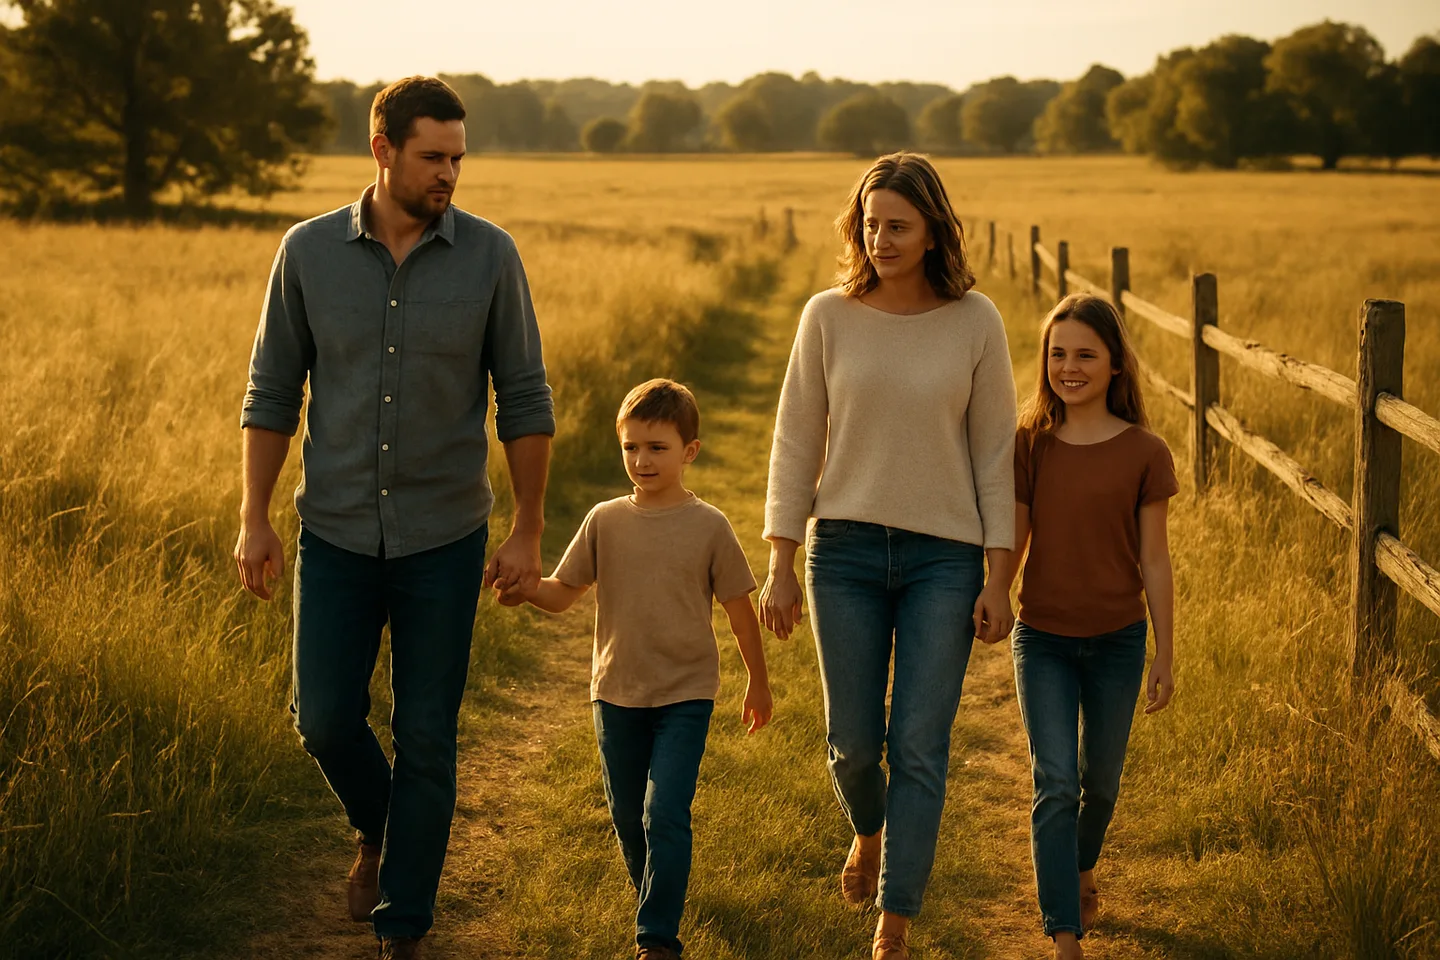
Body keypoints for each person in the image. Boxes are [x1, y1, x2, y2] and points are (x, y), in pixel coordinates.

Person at [234, 76, 555, 960]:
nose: (451, 172)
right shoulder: (306, 254)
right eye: (433, 156)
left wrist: (527, 530)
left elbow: (524, 399)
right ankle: (384, 829)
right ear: (382, 151)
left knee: (427, 735)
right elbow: (272, 393)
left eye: (459, 157)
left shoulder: (492, 257)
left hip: (444, 539)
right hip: (332, 531)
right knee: (324, 719)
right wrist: (253, 518)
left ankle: (403, 923)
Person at [760, 153, 1017, 960]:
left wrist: (1000, 576)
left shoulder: (976, 320)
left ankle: (895, 917)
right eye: (870, 224)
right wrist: (778, 560)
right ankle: (868, 831)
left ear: (935, 227)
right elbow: (796, 440)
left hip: (947, 557)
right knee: (852, 741)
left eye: (898, 225)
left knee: (919, 742)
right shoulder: (827, 317)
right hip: (844, 553)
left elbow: (996, 458)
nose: (881, 239)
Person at [501, 378, 773, 960]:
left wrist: (758, 679)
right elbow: (564, 593)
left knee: (663, 811)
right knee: (629, 816)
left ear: (689, 451)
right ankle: (656, 892)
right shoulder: (605, 520)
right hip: (616, 692)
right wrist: (527, 591)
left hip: (686, 694)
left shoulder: (710, 526)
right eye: (631, 447)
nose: (642, 460)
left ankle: (657, 939)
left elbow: (739, 611)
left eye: (657, 447)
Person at [983, 293, 1177, 960]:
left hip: (1120, 641)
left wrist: (1165, 652)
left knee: (1102, 782)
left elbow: (1155, 557)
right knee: (1055, 781)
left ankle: (1081, 863)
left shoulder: (1146, 452)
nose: (1069, 367)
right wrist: (994, 591)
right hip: (1044, 641)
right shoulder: (1030, 443)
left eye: (1085, 354)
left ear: (1115, 364)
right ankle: (1064, 933)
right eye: (1057, 353)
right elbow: (1014, 531)